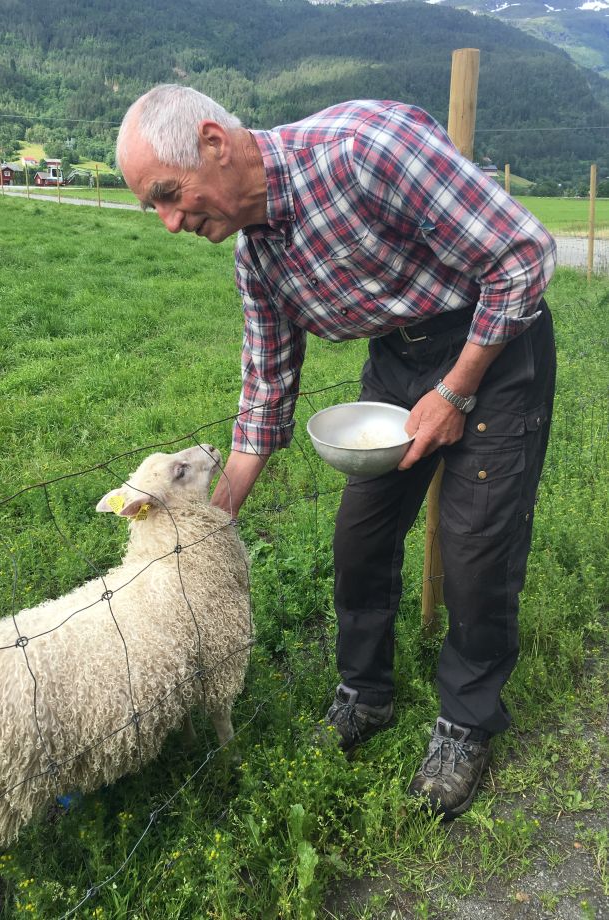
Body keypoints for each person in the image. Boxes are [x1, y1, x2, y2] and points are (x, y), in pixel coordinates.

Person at [116, 84, 557, 820]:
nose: (169, 223)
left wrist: (454, 394)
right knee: (361, 535)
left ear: (214, 144)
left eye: (168, 194)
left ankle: (466, 722)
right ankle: (365, 696)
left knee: (477, 547)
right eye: (151, 208)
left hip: (495, 341)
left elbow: (523, 258)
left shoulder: (364, 151)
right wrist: (203, 526)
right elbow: (265, 394)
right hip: (400, 355)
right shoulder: (257, 260)